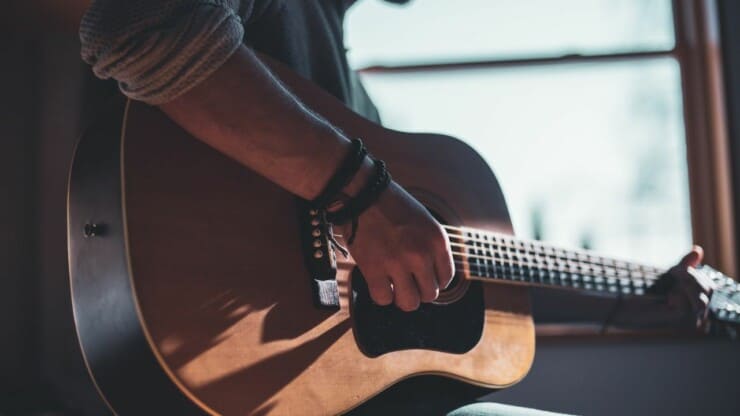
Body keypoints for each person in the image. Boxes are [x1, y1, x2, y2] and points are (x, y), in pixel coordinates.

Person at [78, 1, 713, 414]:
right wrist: (360, 196)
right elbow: (139, 25)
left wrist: (638, 290)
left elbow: (469, 278)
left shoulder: (352, 98)